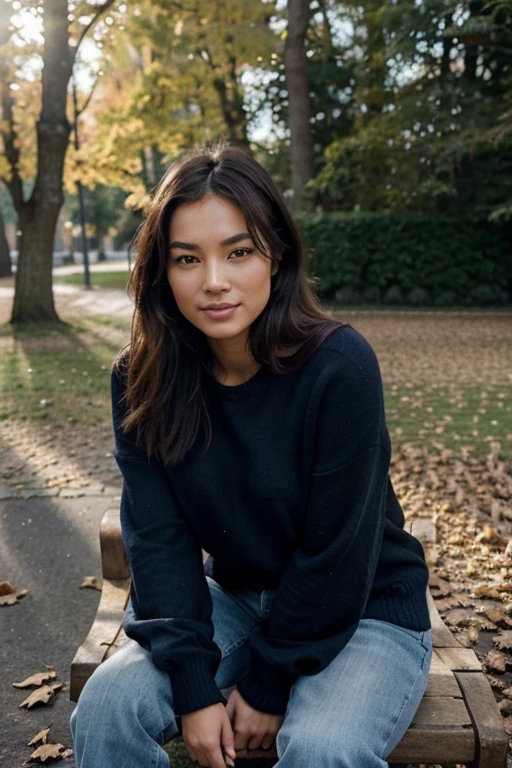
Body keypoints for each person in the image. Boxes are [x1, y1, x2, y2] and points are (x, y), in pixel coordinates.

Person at [70, 143, 432, 768]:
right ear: (162, 272)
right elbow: (158, 540)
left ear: (276, 254)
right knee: (107, 708)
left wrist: (267, 679)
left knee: (323, 748)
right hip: (233, 600)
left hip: (366, 608)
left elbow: (338, 553)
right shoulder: (143, 378)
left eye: (238, 252)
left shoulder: (339, 369)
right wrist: (191, 683)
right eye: (188, 259)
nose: (214, 281)